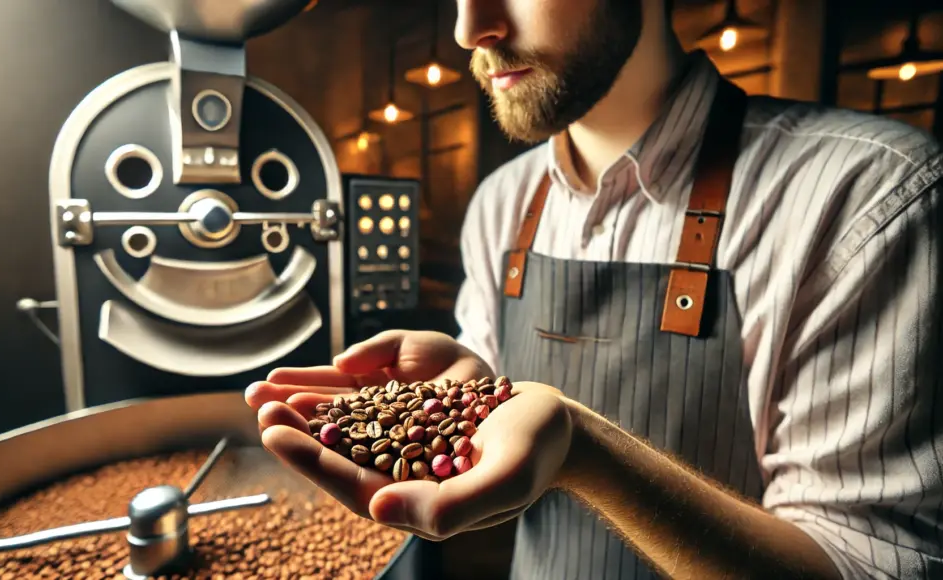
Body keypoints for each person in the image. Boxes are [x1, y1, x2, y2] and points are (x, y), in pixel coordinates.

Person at [246, 0, 943, 578]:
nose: (469, 28)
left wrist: (585, 452)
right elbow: (496, 423)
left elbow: (868, 563)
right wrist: (470, 390)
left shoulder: (866, 199)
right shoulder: (501, 202)